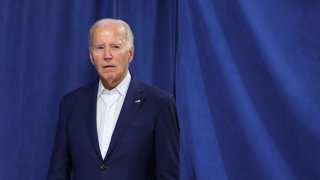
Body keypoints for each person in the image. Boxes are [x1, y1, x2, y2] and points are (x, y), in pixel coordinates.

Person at [47, 18, 179, 180]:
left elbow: (168, 174)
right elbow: (58, 172)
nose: (107, 55)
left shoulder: (159, 104)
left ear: (130, 53)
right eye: (99, 47)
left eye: (115, 47)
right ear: (91, 56)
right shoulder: (71, 104)